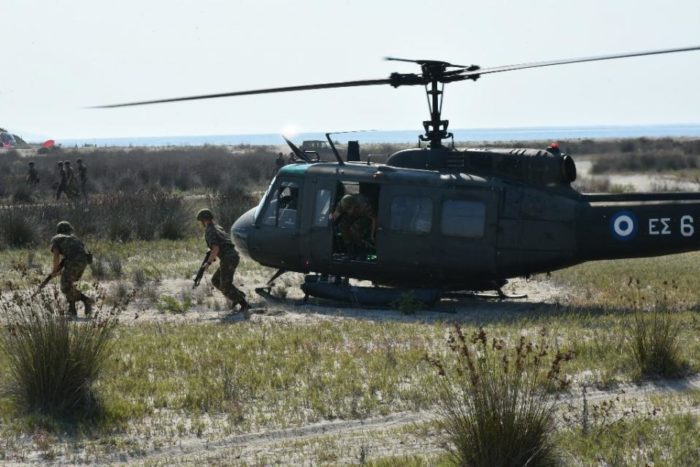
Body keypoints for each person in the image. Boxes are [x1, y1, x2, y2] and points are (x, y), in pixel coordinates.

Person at [196, 209, 250, 315]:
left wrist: (208, 263)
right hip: (231, 257)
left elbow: (215, 248)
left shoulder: (210, 230)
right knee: (216, 280)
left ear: (203, 220)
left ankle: (244, 304)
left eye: (201, 221)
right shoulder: (217, 227)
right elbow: (220, 245)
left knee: (225, 285)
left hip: (228, 258)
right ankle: (237, 297)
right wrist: (212, 254)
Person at [50, 221, 94, 317]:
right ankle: (72, 310)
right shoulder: (75, 239)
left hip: (73, 262)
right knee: (70, 285)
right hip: (84, 262)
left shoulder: (57, 239)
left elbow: (56, 255)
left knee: (65, 286)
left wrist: (55, 270)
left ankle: (86, 300)